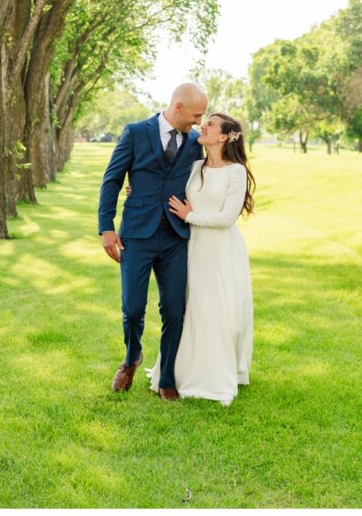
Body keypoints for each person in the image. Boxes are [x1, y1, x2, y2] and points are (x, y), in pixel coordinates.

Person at [98, 84, 208, 401]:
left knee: (175, 310)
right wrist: (106, 227)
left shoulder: (194, 143)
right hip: (137, 235)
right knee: (132, 309)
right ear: (177, 107)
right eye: (196, 115)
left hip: (176, 237)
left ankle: (168, 378)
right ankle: (132, 358)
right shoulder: (135, 132)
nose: (199, 122)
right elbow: (113, 179)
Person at [147, 113, 256, 406]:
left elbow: (227, 217)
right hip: (192, 247)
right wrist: (139, 191)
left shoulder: (236, 172)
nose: (202, 126)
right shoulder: (195, 166)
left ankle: (215, 376)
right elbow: (166, 187)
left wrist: (190, 216)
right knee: (190, 308)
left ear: (223, 137)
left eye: (210, 124)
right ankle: (179, 373)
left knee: (217, 311)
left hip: (220, 251)